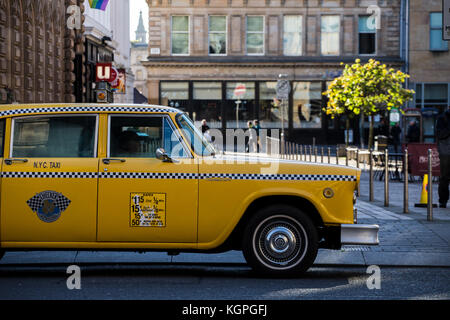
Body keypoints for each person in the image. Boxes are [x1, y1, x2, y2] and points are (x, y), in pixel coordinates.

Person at [436, 107, 450, 208]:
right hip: (446, 151)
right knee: (444, 177)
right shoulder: (443, 118)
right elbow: (440, 134)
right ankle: (443, 200)